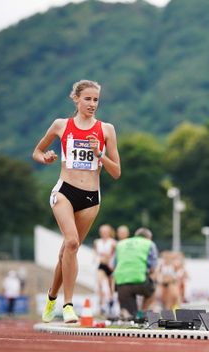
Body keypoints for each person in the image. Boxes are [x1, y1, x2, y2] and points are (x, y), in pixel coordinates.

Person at [33, 79, 121, 324]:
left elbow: (116, 172)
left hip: (91, 197)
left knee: (68, 250)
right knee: (71, 243)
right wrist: (46, 158)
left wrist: (99, 154)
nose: (92, 104)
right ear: (76, 99)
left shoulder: (106, 130)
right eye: (88, 99)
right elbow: (37, 151)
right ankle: (68, 305)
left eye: (96, 100)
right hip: (65, 191)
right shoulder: (61, 125)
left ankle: (51, 297)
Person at [113, 227, 158, 319]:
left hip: (121, 282)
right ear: (148, 237)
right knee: (152, 290)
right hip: (140, 280)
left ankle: (128, 313)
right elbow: (153, 267)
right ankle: (142, 313)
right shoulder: (149, 244)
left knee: (130, 315)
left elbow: (114, 265)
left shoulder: (121, 243)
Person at [94, 223, 116, 315]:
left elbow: (114, 255)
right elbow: (95, 255)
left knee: (111, 288)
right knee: (101, 285)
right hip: (101, 266)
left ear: (110, 232)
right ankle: (101, 306)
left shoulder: (113, 242)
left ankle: (111, 302)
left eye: (106, 231)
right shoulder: (97, 242)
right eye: (102, 231)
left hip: (111, 267)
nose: (104, 233)